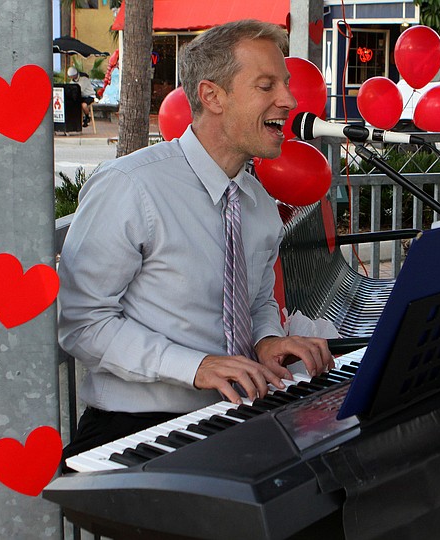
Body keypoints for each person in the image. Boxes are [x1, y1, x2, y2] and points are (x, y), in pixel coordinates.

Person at [58, 20, 335, 463]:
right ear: (212, 96)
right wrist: (197, 367)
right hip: (135, 427)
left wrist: (266, 340)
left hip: (232, 414)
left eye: (284, 85)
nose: (289, 100)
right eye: (267, 86)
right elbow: (83, 323)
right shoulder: (131, 185)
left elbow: (258, 301)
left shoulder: (258, 201)